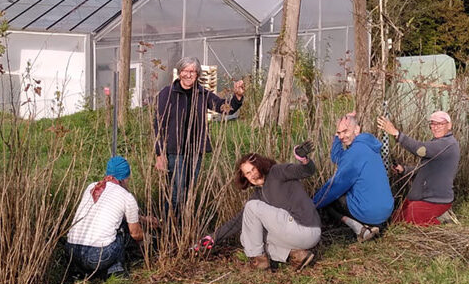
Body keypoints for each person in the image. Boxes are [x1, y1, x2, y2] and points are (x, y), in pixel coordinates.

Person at [197, 142, 321, 271]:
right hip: (295, 236)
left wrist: (303, 159)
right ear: (244, 177)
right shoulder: (258, 195)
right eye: (247, 173)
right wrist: (212, 238)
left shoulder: (277, 172)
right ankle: (297, 255)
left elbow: (307, 171)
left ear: (260, 165)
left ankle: (259, 260)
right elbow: (237, 222)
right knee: (247, 238)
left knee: (251, 210)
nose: (252, 175)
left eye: (253, 169)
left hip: (306, 228)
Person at [154, 56, 244, 217]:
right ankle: (170, 228)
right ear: (179, 73)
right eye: (185, 71)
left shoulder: (203, 94)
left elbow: (226, 108)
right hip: (175, 151)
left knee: (190, 192)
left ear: (198, 75)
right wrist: (160, 154)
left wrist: (237, 97)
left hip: (196, 151)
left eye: (193, 71)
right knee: (176, 193)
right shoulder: (168, 94)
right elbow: (159, 124)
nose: (188, 75)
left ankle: (186, 227)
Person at [313, 113, 394, 241]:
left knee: (330, 199)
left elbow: (334, 187)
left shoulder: (355, 153)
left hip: (370, 212)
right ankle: (375, 225)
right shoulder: (368, 146)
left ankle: (360, 228)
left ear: (357, 129)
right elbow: (337, 157)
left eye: (345, 131)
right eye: (338, 133)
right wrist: (337, 136)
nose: (341, 136)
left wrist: (313, 204)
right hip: (386, 210)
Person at [66, 156, 150, 279]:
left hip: (72, 252)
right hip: (98, 256)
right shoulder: (126, 196)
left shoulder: (92, 187)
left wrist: (143, 218)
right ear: (125, 177)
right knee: (121, 231)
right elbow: (135, 234)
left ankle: (81, 272)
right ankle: (115, 271)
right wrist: (147, 238)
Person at [377, 111, 460, 225]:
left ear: (449, 125)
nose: (435, 128)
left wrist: (397, 134)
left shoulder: (447, 144)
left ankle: (444, 222)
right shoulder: (437, 142)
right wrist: (404, 170)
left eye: (440, 124)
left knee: (405, 222)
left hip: (435, 200)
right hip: (421, 198)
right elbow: (426, 168)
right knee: (395, 218)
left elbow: (420, 149)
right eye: (433, 124)